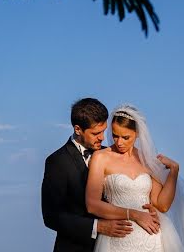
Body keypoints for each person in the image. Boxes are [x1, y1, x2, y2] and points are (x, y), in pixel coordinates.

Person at [86, 104, 184, 252]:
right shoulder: (101, 158)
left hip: (152, 239)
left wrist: (174, 171)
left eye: (125, 137)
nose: (119, 142)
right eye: (115, 135)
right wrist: (135, 214)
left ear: (138, 134)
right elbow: (92, 205)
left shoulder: (147, 160)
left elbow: (162, 205)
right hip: (118, 237)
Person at [42, 98, 161, 252]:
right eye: (96, 133)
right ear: (78, 129)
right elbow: (51, 216)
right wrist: (97, 226)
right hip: (76, 247)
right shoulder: (57, 161)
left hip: (119, 244)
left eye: (104, 131)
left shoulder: (110, 154)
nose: (103, 138)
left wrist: (150, 212)